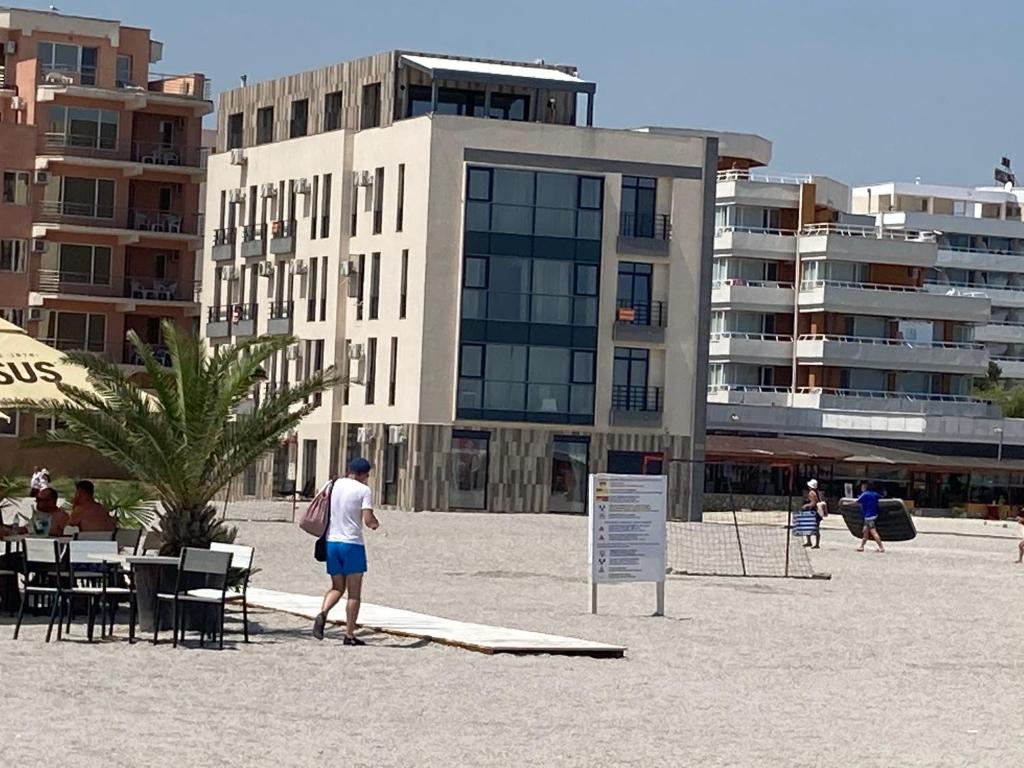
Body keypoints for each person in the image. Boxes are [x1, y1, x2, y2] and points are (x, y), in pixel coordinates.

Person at [312, 458, 380, 645]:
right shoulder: (363, 490)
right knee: (354, 593)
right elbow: (367, 519)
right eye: (367, 475)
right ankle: (349, 635)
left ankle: (323, 612)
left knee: (336, 587)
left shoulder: (333, 484)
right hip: (352, 544)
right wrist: (375, 523)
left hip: (332, 542)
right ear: (362, 474)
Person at [856, 482, 885, 553]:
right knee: (865, 532)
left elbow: (857, 501)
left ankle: (881, 548)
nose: (862, 488)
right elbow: (881, 498)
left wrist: (846, 503)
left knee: (874, 532)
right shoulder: (874, 494)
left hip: (869, 517)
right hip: (872, 515)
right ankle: (861, 546)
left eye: (863, 486)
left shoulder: (865, 494)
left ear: (865, 487)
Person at [800, 479, 825, 549]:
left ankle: (811, 542)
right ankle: (814, 543)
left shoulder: (811, 493)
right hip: (817, 513)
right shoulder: (817, 493)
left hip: (813, 512)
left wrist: (806, 506)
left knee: (811, 527)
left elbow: (813, 503)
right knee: (814, 528)